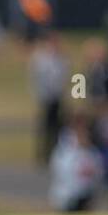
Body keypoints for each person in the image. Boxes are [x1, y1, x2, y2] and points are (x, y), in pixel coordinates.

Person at [29, 33, 68, 167]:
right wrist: (39, 94)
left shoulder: (62, 59)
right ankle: (42, 156)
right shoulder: (40, 59)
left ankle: (55, 154)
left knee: (57, 128)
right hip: (45, 97)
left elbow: (65, 77)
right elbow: (35, 79)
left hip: (58, 97)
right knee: (45, 127)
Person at [49, 119, 103, 212]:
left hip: (86, 194)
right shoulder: (65, 153)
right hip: (68, 195)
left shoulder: (93, 153)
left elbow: (99, 172)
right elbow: (61, 173)